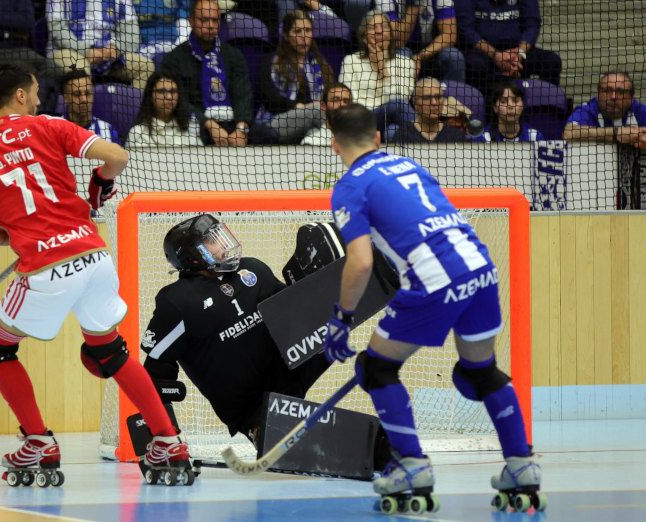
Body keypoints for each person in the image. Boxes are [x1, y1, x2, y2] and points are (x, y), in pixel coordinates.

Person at [0, 62, 194, 486]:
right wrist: (98, 187)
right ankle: (167, 439)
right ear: (22, 96)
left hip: (46, 269)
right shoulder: (48, 125)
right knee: (108, 351)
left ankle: (38, 441)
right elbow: (117, 157)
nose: (41, 99)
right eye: (36, 92)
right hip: (94, 256)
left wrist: (24, 231)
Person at [322, 102, 543, 511]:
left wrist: (341, 318)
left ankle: (411, 465)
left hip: (435, 279)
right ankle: (522, 464)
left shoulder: (349, 187)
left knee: (376, 368)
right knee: (480, 373)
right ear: (378, 138)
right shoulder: (409, 165)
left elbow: (362, 261)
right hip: (480, 267)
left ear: (334, 145)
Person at [141, 214, 332, 445]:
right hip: (251, 408)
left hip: (290, 370)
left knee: (333, 312)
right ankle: (260, 429)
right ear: (192, 257)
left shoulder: (253, 269)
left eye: (221, 235)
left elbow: (289, 311)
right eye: (212, 240)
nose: (223, 243)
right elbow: (156, 370)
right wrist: (165, 435)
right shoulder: (177, 302)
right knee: (277, 436)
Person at [159, 0, 278, 146]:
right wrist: (210, 125)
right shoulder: (174, 59)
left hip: (232, 123)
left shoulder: (233, 55)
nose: (210, 25)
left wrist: (241, 129)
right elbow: (180, 102)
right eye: (204, 20)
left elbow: (243, 96)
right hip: (197, 124)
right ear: (191, 21)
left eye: (214, 20)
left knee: (269, 135)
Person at [257, 10, 335, 144]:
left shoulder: (320, 63)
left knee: (315, 135)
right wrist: (298, 106)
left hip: (312, 122)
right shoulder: (271, 61)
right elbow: (269, 98)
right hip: (276, 122)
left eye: (308, 30)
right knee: (319, 110)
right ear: (286, 35)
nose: (304, 36)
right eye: (297, 31)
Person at [339, 10, 416, 141]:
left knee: (393, 132)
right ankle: (423, 138)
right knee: (397, 105)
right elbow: (348, 100)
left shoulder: (405, 63)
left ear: (391, 35)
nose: (379, 31)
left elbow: (402, 98)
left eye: (384, 27)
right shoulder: (351, 61)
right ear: (364, 36)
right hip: (361, 121)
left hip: (391, 120)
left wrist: (382, 69)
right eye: (373, 27)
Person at [455, 0, 561, 92]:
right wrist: (494, 54)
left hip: (517, 52)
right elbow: (466, 29)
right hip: (482, 52)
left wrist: (519, 53)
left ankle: (545, 109)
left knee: (551, 61)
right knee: (475, 65)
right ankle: (483, 112)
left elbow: (532, 25)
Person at [47, 0, 155, 90]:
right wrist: (87, 51)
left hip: (110, 54)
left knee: (145, 66)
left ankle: (134, 113)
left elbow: (132, 34)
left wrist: (115, 48)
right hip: (69, 52)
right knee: (80, 71)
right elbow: (57, 30)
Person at [375, 0, 465, 83]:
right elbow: (396, 40)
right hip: (404, 47)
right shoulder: (385, 1)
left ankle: (450, 97)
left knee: (453, 56)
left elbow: (449, 36)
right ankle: (403, 99)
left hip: (433, 49)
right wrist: (414, 5)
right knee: (402, 56)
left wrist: (420, 56)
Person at [563, 72, 646, 148]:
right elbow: (568, 133)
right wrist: (616, 134)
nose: (613, 96)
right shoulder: (587, 110)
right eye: (607, 91)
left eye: (620, 92)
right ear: (598, 94)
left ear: (632, 98)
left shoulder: (639, 111)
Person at [126, 72, 203, 147]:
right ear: (150, 96)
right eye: (161, 91)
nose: (169, 97)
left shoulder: (190, 132)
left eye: (173, 91)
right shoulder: (137, 133)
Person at [391, 77, 466, 142]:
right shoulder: (403, 135)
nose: (434, 103)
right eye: (426, 98)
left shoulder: (455, 136)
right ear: (415, 103)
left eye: (438, 97)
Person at [61, 68, 121, 143]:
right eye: (77, 94)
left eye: (87, 93)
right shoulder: (55, 129)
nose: (84, 99)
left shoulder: (108, 131)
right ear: (66, 98)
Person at [474, 82, 543, 142]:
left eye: (515, 101)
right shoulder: (483, 139)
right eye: (503, 102)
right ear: (495, 107)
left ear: (523, 106)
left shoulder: (534, 137)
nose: (510, 105)